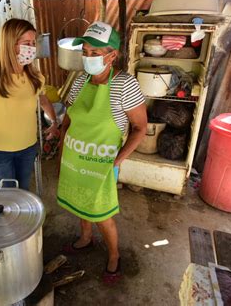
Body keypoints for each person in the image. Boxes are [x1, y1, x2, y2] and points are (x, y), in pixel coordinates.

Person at [57, 21, 147, 284]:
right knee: (80, 202)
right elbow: (69, 117)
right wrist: (63, 144)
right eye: (85, 52)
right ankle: (85, 239)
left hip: (103, 162)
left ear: (112, 56)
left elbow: (140, 128)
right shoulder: (79, 80)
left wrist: (118, 160)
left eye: (95, 53)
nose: (88, 58)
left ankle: (114, 256)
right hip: (75, 157)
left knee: (102, 213)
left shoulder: (125, 85)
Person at [0, 18, 58, 191]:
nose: (31, 47)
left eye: (33, 42)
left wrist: (53, 122)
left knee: (22, 190)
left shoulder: (35, 76)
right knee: (7, 193)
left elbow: (43, 99)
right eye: (26, 43)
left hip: (28, 146)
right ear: (11, 44)